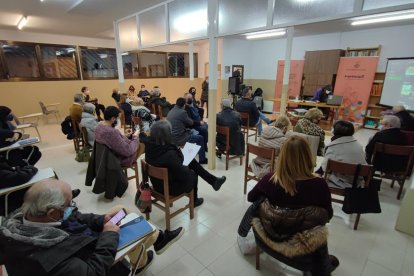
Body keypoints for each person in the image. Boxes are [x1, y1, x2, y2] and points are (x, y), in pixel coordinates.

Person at [0, 179, 184, 276]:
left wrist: (102, 219)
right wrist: (108, 236)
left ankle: (152, 246)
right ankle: (155, 242)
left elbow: (76, 216)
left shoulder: (30, 216)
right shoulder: (50, 259)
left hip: (82, 241)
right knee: (145, 230)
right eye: (69, 203)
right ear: (53, 213)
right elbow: (93, 272)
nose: (72, 207)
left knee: (121, 211)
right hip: (92, 257)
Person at [247, 136, 338, 275]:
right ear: (308, 157)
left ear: (282, 156)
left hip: (269, 237)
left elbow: (251, 197)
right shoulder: (319, 185)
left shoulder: (269, 180)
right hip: (302, 247)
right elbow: (327, 216)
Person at [143, 120, 226, 207]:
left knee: (191, 161)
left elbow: (168, 163)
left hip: (157, 184)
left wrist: (180, 157)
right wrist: (181, 157)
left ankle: (213, 181)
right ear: (166, 135)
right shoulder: (170, 153)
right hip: (169, 187)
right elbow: (184, 174)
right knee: (193, 174)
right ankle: (194, 201)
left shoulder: (150, 147)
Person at [317, 120, 366, 188]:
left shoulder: (333, 146)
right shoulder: (359, 146)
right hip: (357, 183)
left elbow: (325, 168)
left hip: (339, 183)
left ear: (335, 131)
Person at [167, 98, 207, 164]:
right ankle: (202, 159)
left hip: (171, 138)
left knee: (193, 132)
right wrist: (200, 123)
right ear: (184, 105)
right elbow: (190, 123)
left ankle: (195, 151)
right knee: (200, 138)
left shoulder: (170, 111)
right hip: (179, 138)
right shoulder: (182, 112)